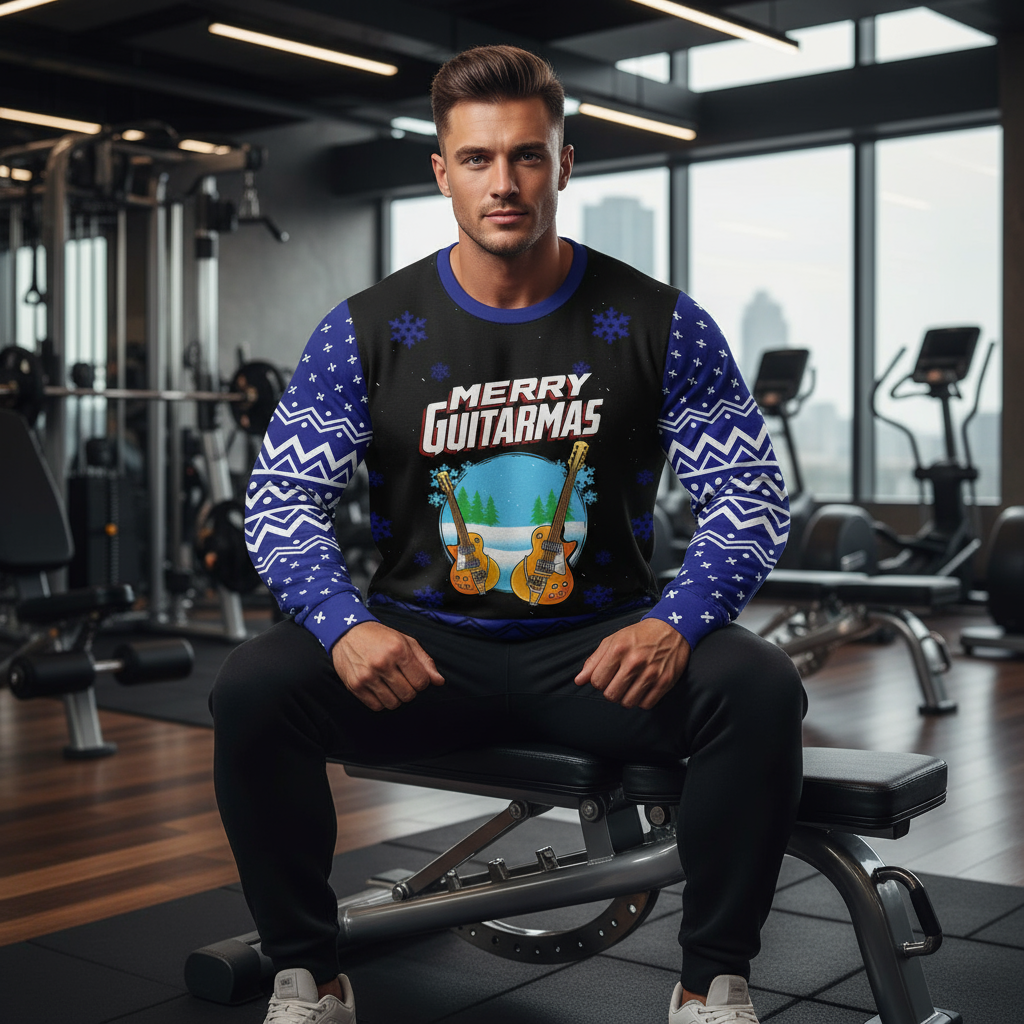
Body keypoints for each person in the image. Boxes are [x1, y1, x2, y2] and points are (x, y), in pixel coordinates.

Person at [214, 44, 805, 1024]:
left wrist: (676, 623)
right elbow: (279, 505)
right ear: (441, 172)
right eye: (479, 159)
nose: (505, 182)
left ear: (563, 162)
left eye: (527, 156)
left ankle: (711, 984)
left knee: (756, 684)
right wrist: (342, 623)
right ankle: (310, 977)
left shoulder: (660, 322)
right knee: (254, 686)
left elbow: (747, 498)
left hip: (600, 653)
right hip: (421, 652)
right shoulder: (364, 328)